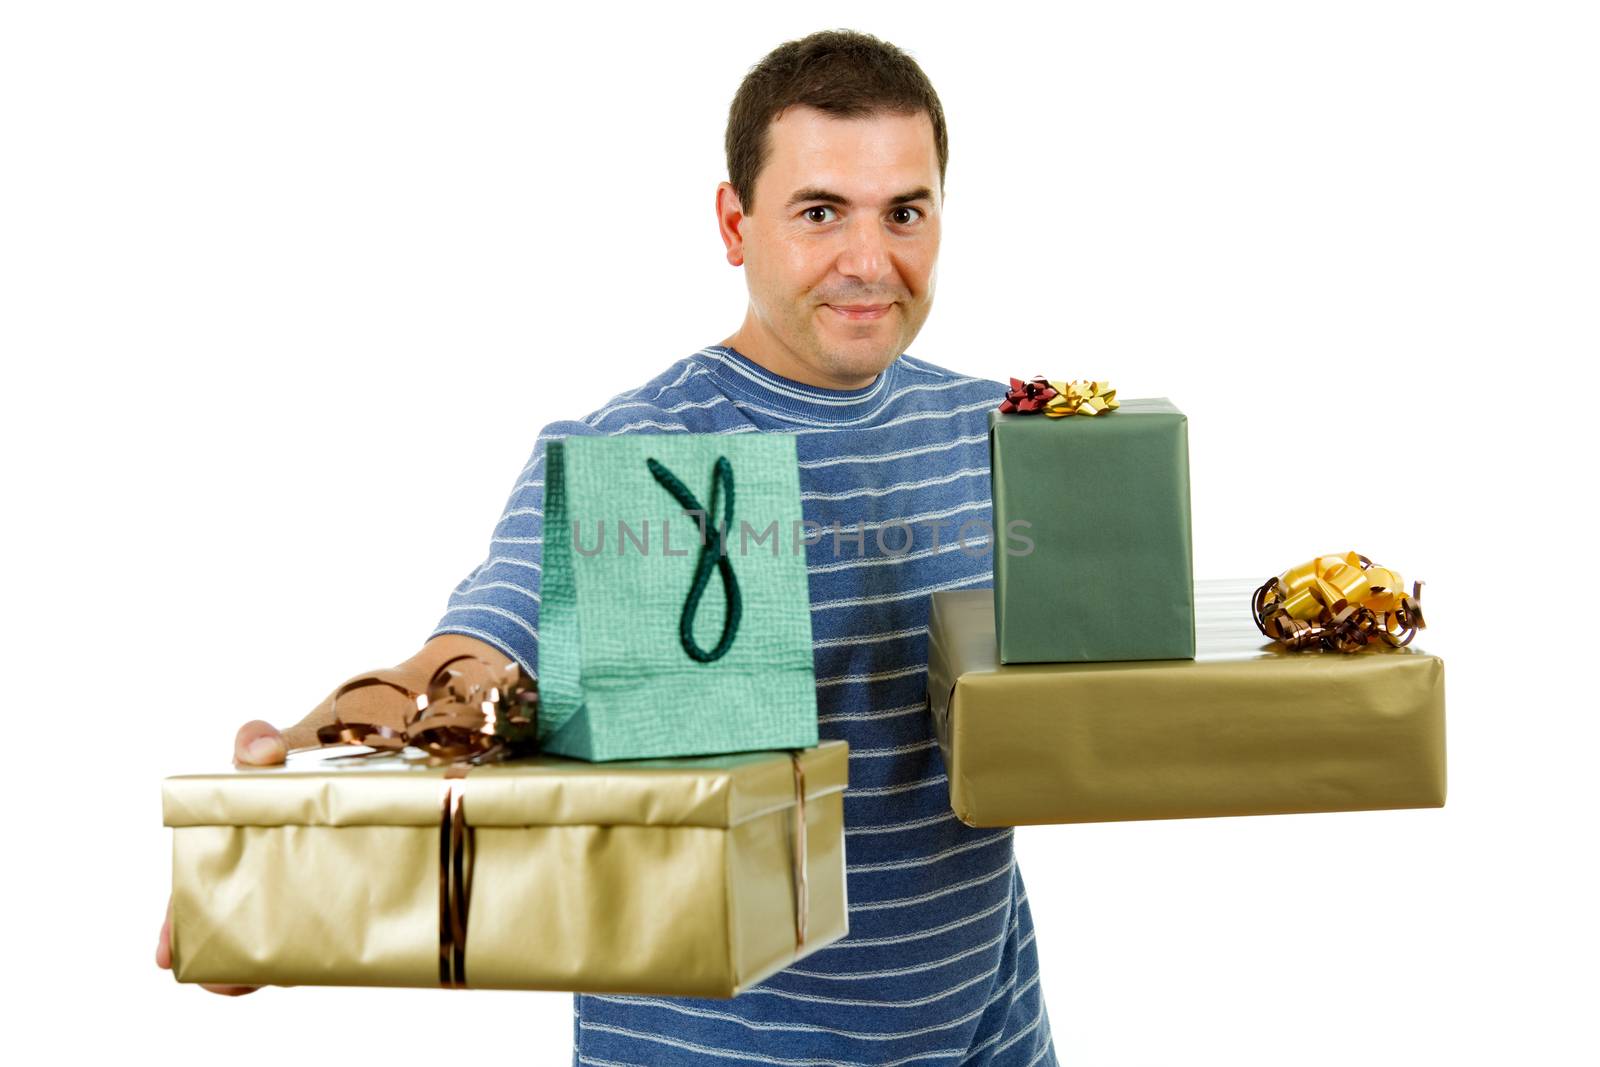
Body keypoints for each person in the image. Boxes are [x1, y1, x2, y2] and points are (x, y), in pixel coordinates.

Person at [157, 28, 1057, 1065]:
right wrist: (279, 835)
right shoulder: (646, 453)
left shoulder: (990, 429)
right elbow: (470, 665)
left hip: (988, 1032)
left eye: (904, 211)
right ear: (735, 222)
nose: (868, 260)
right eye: (819, 212)